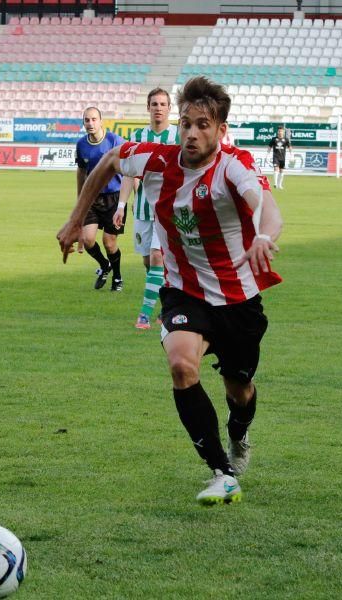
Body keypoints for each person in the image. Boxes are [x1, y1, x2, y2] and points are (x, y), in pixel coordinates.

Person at [58, 76, 283, 505]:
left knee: (240, 390)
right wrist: (74, 220)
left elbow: (267, 208)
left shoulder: (235, 165)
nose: (192, 133)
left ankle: (239, 435)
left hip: (238, 298)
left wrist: (263, 235)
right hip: (184, 292)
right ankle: (222, 471)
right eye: (186, 124)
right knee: (182, 366)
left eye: (203, 125)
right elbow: (106, 162)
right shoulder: (156, 159)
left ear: (220, 130)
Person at [115, 87, 179, 329]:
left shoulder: (178, 137)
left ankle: (145, 314)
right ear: (148, 108)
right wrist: (121, 205)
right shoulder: (138, 136)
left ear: (169, 108)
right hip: (141, 209)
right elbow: (129, 175)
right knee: (148, 262)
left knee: (156, 256)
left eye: (163, 104)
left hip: (167, 210)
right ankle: (166, 299)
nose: (159, 109)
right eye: (155, 104)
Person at [75, 106, 126, 291]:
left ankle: (118, 277)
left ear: (101, 121)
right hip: (92, 198)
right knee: (88, 240)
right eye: (87, 120)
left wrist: (136, 195)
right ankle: (105, 265)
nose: (90, 123)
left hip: (114, 198)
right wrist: (80, 199)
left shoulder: (115, 141)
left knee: (109, 242)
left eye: (94, 119)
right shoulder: (81, 145)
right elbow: (81, 172)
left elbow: (129, 170)